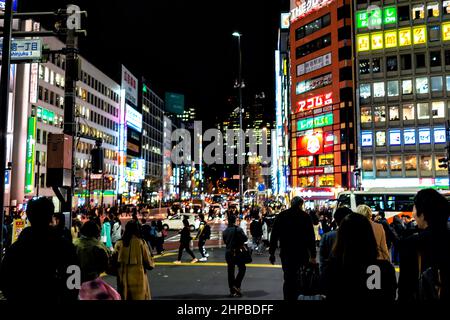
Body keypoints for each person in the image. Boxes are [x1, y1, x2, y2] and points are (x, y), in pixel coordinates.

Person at [0, 198, 79, 301]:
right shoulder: (65, 247)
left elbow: (5, 281)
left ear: (28, 216)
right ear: (51, 216)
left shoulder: (16, 249)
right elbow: (74, 282)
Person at [320, 213, 397, 301]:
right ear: (369, 236)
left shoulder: (332, 268)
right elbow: (391, 296)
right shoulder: (385, 268)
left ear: (341, 238)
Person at [398, 189, 450, 301]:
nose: (413, 213)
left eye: (414, 207)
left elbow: (406, 289)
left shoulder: (411, 243)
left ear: (422, 214)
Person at [269, 197, 317, 301]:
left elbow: (274, 235)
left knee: (288, 278)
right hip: (302, 252)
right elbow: (311, 237)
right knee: (301, 276)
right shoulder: (305, 216)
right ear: (301, 205)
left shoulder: (282, 216)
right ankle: (299, 296)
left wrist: (271, 253)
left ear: (291, 204)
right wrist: (313, 255)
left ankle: (287, 297)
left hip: (286, 252)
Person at [114, 220, 154, 300]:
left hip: (123, 279)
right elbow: (149, 264)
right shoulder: (141, 243)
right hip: (139, 279)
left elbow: (114, 261)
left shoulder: (119, 243)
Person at [319, 206, 353, 275]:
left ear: (336, 221)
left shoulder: (327, 237)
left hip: (331, 277)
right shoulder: (357, 236)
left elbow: (322, 261)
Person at [223, 214, 248, 297]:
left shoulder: (225, 231)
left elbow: (225, 242)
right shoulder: (238, 229)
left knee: (230, 271)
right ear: (235, 220)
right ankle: (236, 285)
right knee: (242, 268)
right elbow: (245, 239)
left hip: (228, 252)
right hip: (237, 252)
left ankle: (232, 290)